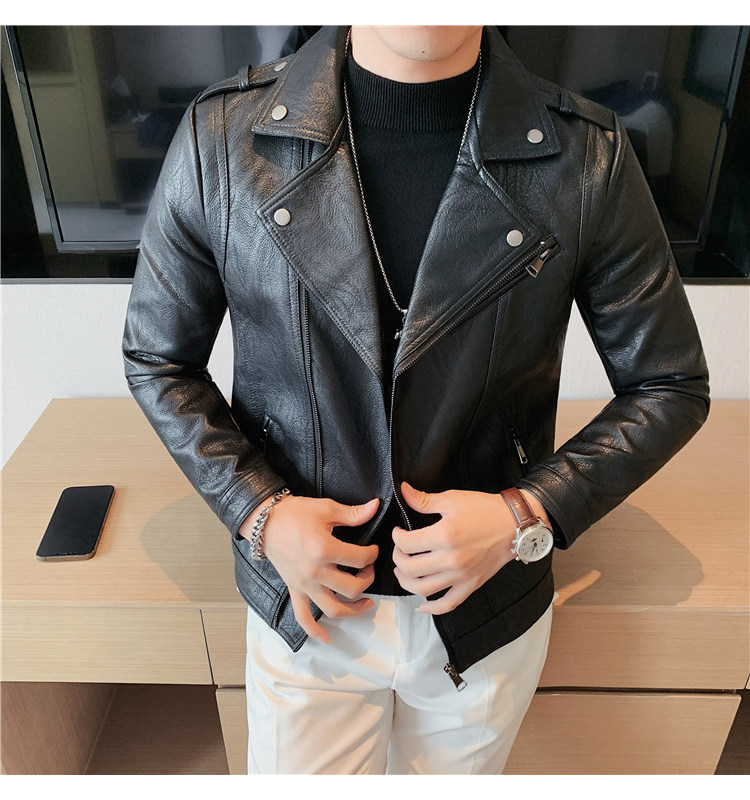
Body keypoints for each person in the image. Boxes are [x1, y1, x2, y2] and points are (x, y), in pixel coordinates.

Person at [122, 25, 709, 774]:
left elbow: (669, 383)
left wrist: (525, 515)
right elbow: (159, 357)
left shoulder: (586, 154)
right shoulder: (223, 135)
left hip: (485, 608)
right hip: (307, 605)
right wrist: (260, 514)